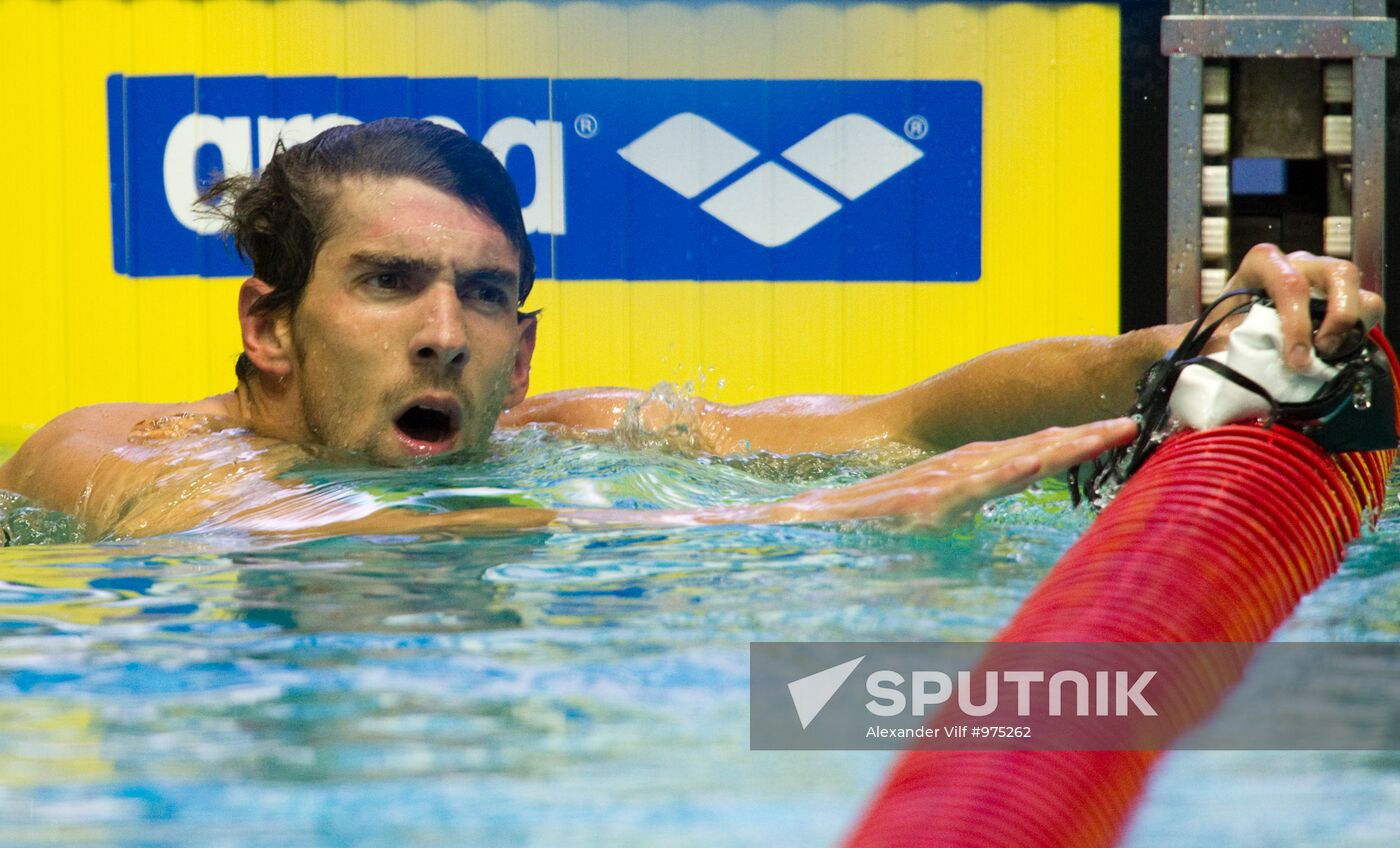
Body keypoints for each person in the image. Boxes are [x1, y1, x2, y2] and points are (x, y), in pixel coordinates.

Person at [0, 119, 1382, 541]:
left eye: (485, 297)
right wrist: (777, 539)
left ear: (523, 348)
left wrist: (1186, 347)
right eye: (387, 284)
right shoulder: (98, 456)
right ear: (270, 325)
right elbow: (240, 535)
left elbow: (890, 426)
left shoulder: (565, 441)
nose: (444, 336)